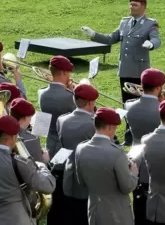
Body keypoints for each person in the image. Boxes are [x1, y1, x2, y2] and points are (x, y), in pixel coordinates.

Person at [83, 0, 161, 141]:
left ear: (144, 7)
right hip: (125, 69)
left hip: (139, 70)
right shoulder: (125, 22)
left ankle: (143, 132)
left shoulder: (150, 23)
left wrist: (152, 44)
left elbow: (156, 38)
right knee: (126, 103)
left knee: (140, 104)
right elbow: (111, 38)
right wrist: (94, 35)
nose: (131, 7)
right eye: (130, 5)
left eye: (135, 5)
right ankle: (129, 134)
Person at [75, 107, 139, 222]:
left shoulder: (81, 148)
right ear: (110, 127)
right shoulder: (116, 152)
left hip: (94, 210)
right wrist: (133, 173)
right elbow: (127, 187)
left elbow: (82, 181)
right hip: (117, 214)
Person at [51, 84, 98, 225]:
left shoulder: (62, 120)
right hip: (89, 176)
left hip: (69, 172)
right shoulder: (93, 124)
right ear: (90, 102)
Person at [37, 55, 76, 161]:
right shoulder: (71, 96)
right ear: (64, 73)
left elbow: (40, 126)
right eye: (68, 72)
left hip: (49, 144)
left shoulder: (41, 93)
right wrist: (73, 93)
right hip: (65, 147)